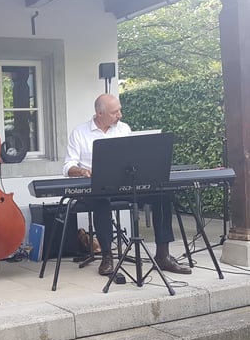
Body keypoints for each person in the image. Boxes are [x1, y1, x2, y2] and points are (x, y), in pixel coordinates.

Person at [63, 93, 191, 276]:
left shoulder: (123, 129)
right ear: (100, 113)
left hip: (123, 185)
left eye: (120, 110)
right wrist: (82, 171)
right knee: (101, 202)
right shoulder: (79, 133)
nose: (120, 115)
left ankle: (163, 255)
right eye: (115, 112)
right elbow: (68, 166)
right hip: (96, 189)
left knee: (162, 196)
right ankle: (107, 256)